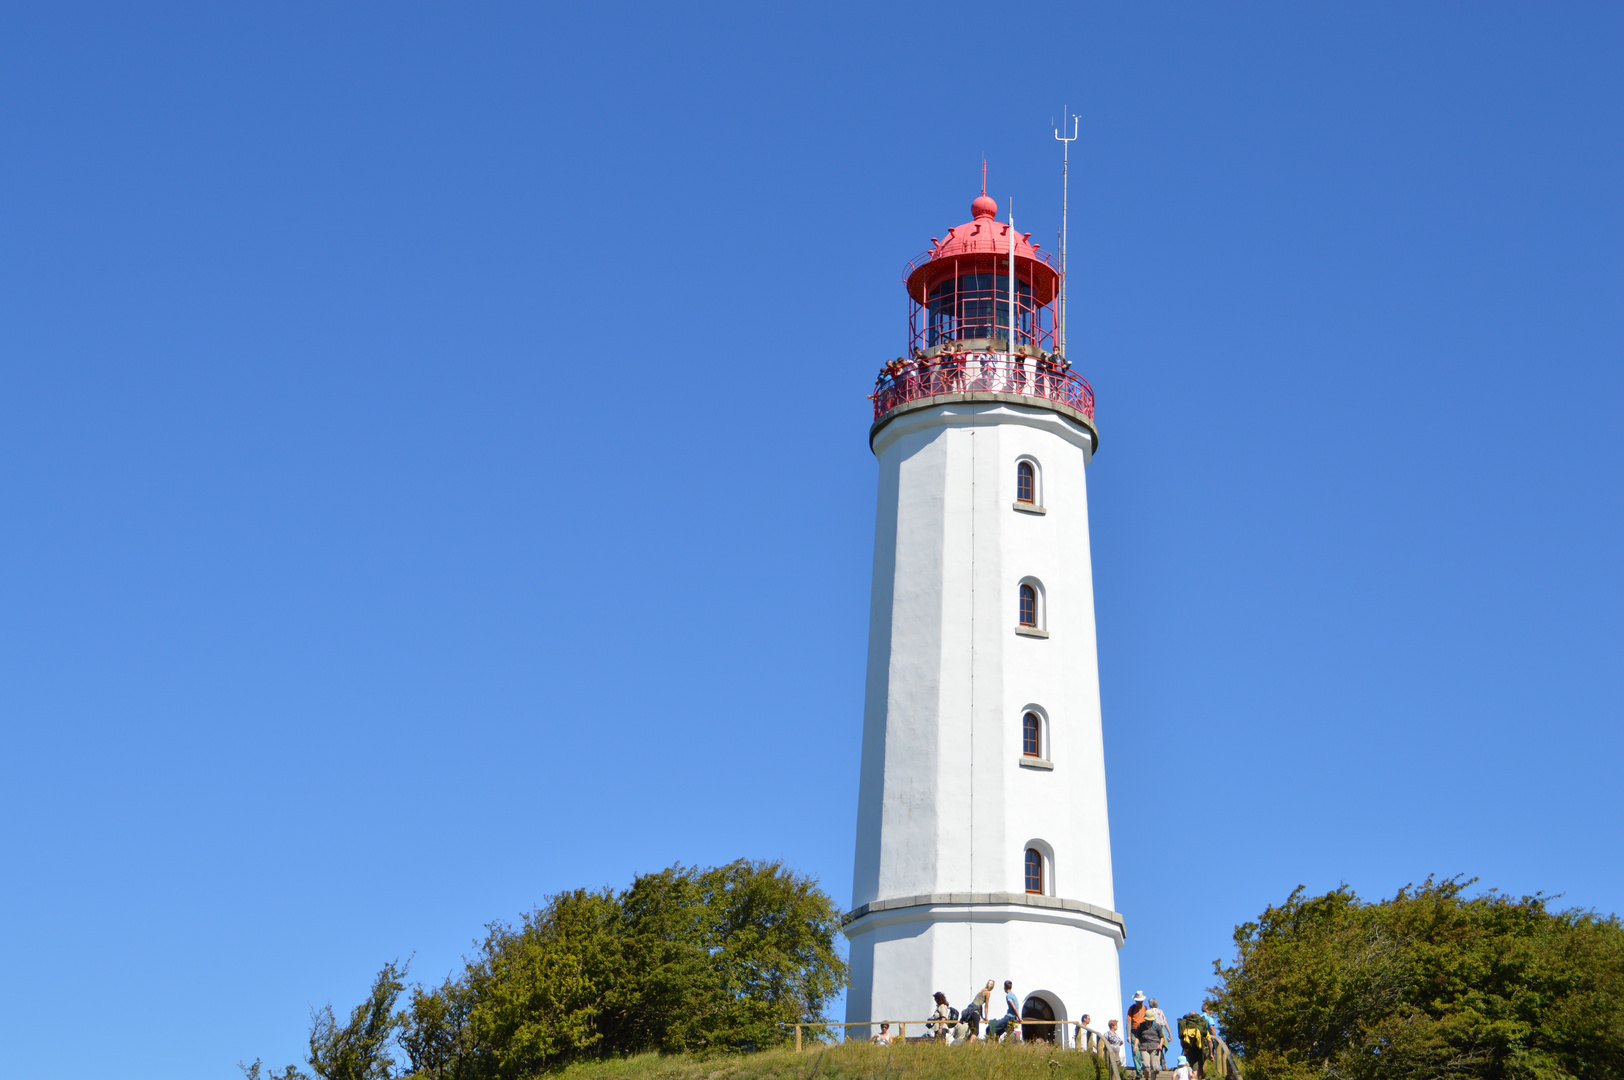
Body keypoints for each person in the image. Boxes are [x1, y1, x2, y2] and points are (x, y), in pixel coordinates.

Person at [1135, 1007, 1165, 1075]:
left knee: (1154, 1068)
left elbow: (1162, 1037)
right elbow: (1137, 1037)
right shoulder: (1141, 1026)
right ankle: (1146, 1078)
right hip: (1144, 1047)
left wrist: (1160, 1045)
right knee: (1146, 1065)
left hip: (1155, 1047)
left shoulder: (1157, 1026)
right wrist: (1135, 1046)